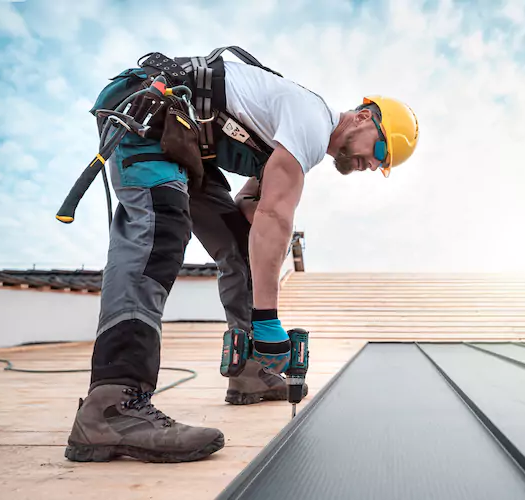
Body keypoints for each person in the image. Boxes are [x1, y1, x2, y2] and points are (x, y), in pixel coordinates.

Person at [64, 47, 419, 464]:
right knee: (159, 232)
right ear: (363, 115)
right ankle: (112, 403)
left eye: (383, 165)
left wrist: (258, 244)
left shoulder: (293, 131)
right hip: (151, 112)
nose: (373, 166)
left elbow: (255, 207)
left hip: (185, 139)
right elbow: (274, 215)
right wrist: (268, 320)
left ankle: (251, 371)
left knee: (239, 243)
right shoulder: (310, 119)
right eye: (380, 151)